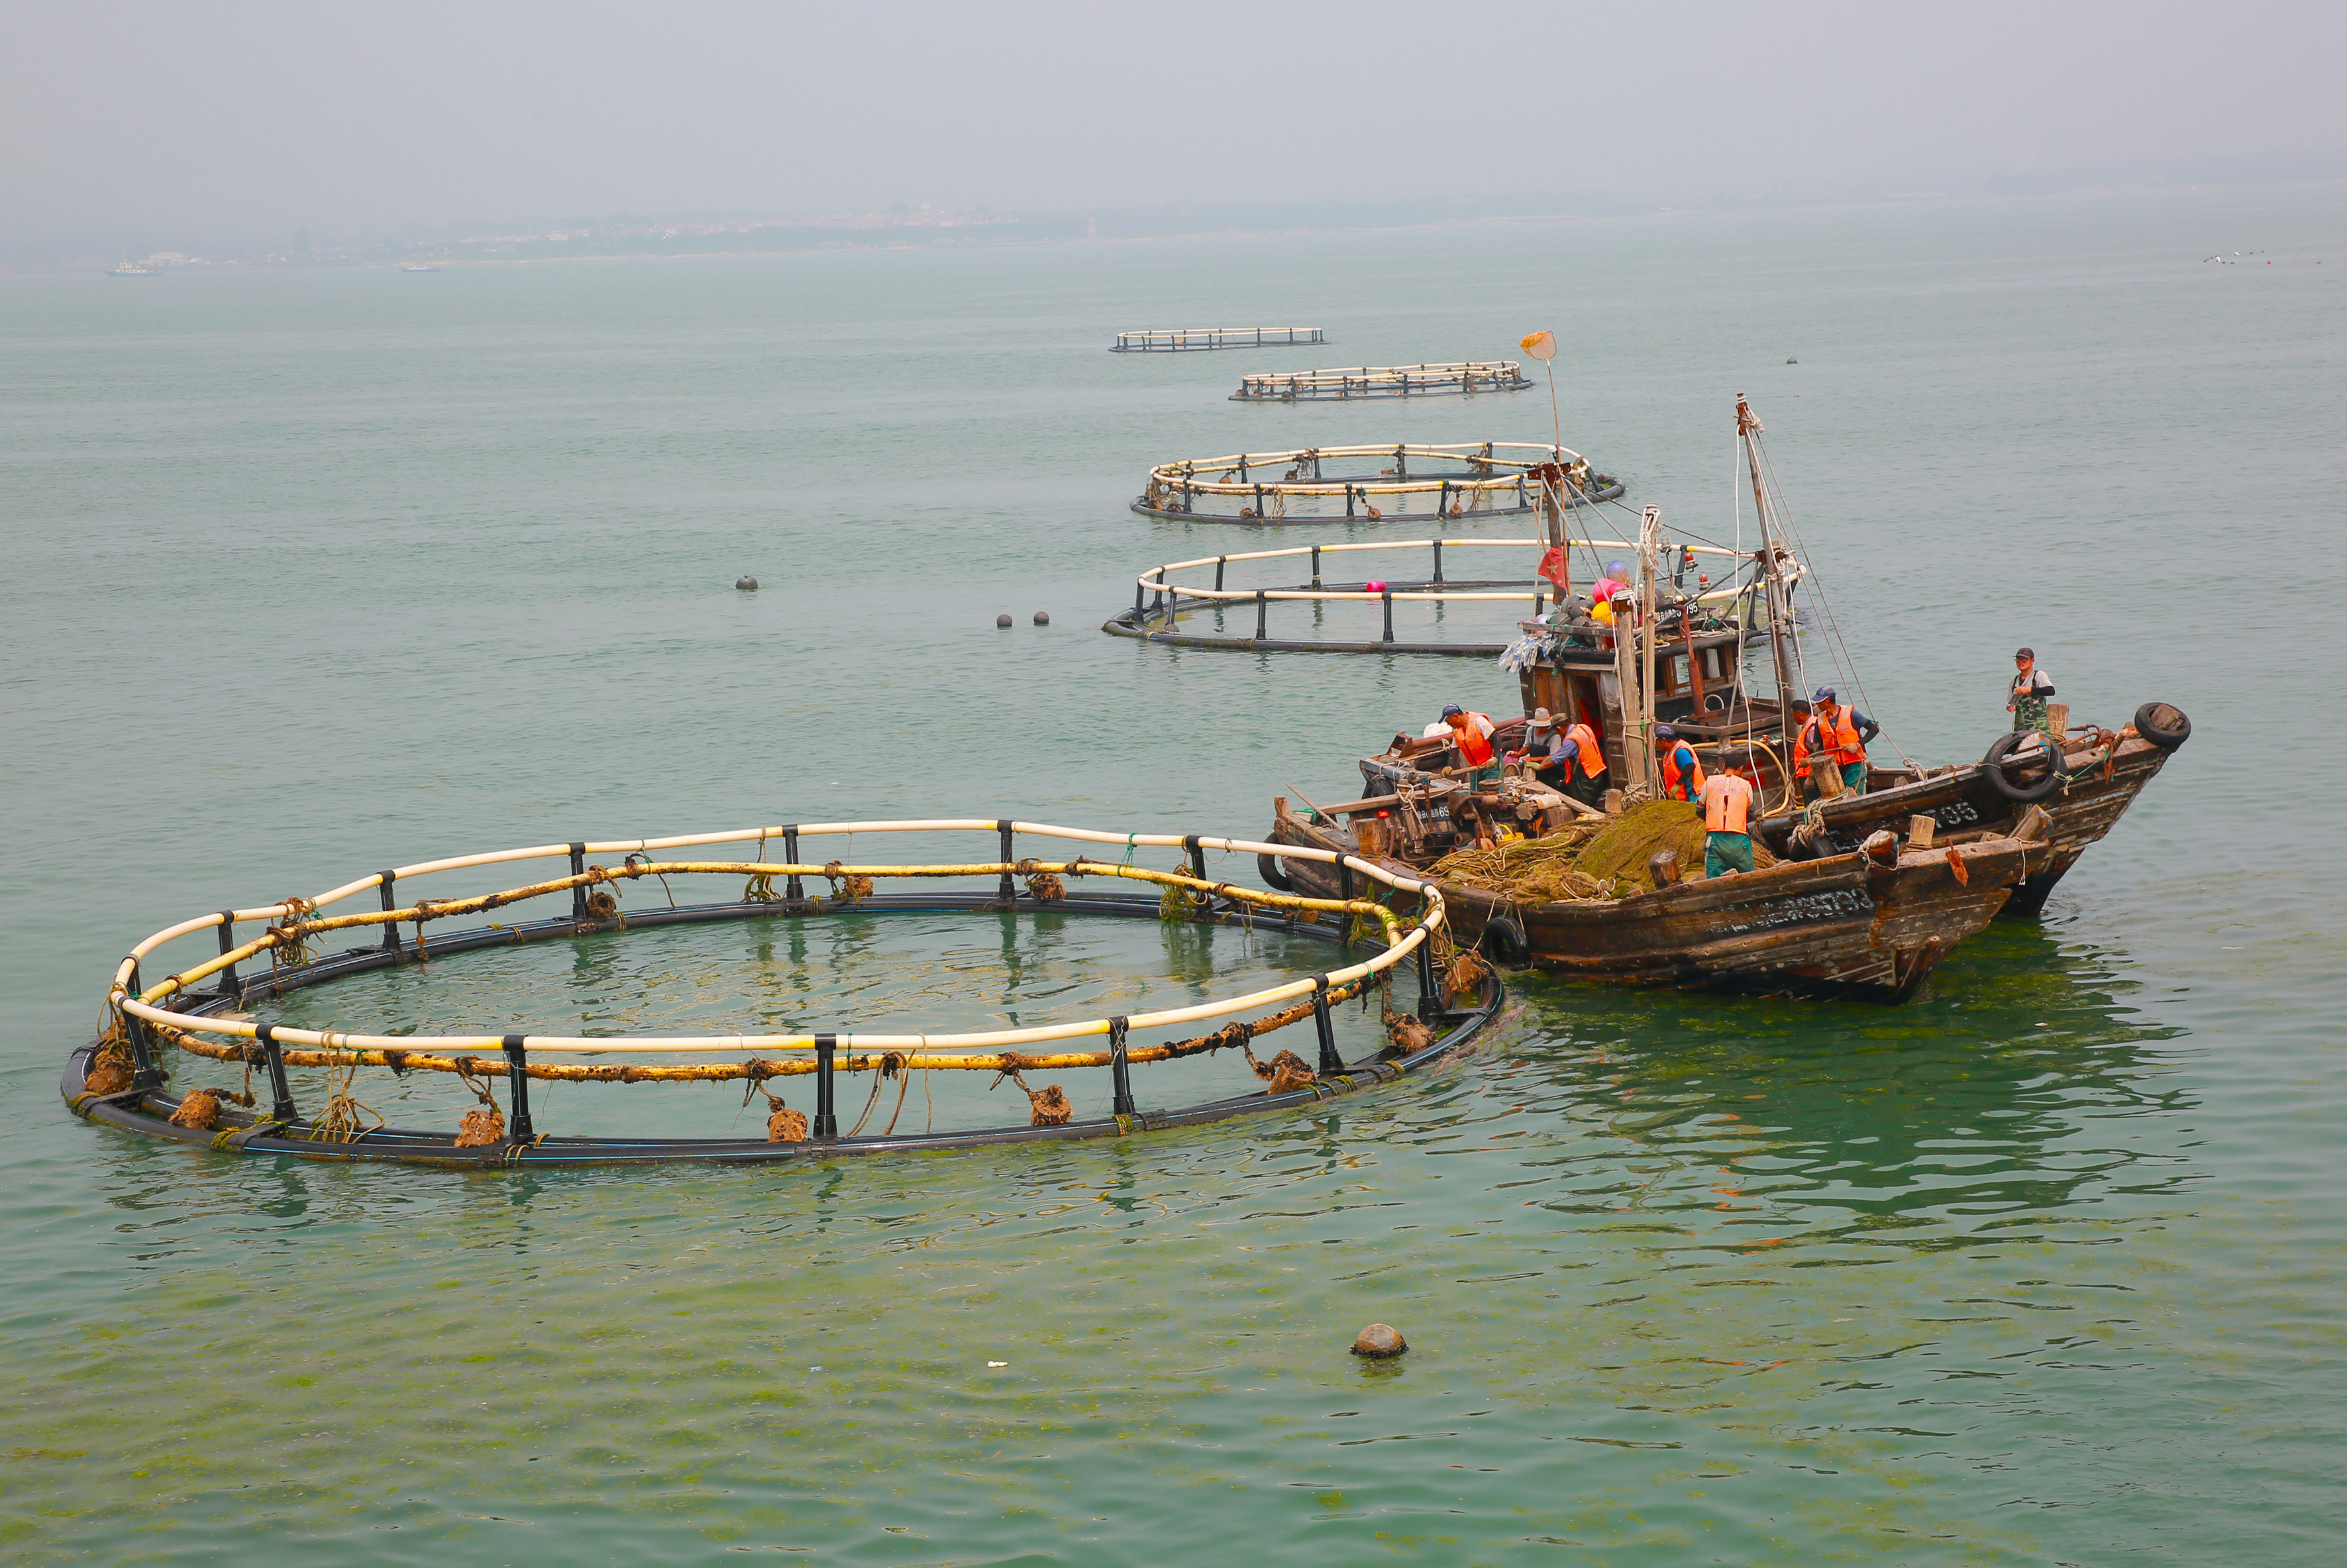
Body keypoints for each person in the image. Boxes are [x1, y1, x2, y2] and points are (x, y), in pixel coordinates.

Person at [1806, 686, 1878, 797]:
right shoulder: (1820, 721)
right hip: (1833, 768)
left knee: (1855, 796)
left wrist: (1858, 744)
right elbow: (1818, 746)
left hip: (1854, 765)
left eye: (1819, 702)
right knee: (1836, 798)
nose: (1817, 705)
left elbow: (1874, 729)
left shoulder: (1851, 714)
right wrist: (1814, 766)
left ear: (1828, 700)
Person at [1699, 766, 1757, 877]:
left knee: (1714, 883)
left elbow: (1699, 808)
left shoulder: (1709, 782)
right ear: (1740, 769)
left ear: (1724, 767)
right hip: (1740, 842)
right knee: (1749, 880)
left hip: (1716, 840)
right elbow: (1751, 813)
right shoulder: (1746, 786)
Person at [1441, 702, 1502, 788]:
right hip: (1474, 767)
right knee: (1475, 792)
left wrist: (1495, 758)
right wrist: (1450, 766)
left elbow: (1497, 738)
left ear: (1456, 717)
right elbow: (1455, 749)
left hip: (1491, 764)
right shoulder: (1456, 730)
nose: (1448, 724)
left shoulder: (1478, 721)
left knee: (1492, 790)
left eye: (1448, 721)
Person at [1559, 712, 1608, 806]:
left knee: (1584, 805)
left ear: (1559, 728)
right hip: (1597, 771)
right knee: (1593, 801)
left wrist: (1540, 766)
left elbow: (1557, 758)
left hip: (1585, 778)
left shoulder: (1571, 739)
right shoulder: (1583, 728)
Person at [2007, 647, 2056, 737]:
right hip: (2020, 729)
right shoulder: (2014, 681)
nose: (2021, 662)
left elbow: (2051, 691)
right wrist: (2011, 707)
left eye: (2024, 659)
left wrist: (2030, 690)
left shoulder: (2038, 676)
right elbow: (2011, 703)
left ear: (2032, 661)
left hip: (2039, 727)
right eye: (2018, 659)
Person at [1654, 724, 1705, 802]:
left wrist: (1678, 785)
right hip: (1681, 797)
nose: (1656, 745)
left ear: (1663, 741)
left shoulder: (1680, 752)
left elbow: (1690, 766)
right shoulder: (1669, 752)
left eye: (1657, 742)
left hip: (1692, 796)